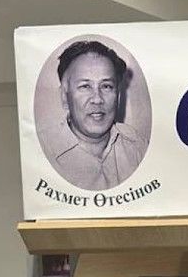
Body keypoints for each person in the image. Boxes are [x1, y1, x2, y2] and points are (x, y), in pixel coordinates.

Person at [41, 40, 147, 190]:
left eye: (106, 86)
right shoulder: (42, 153)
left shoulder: (138, 148)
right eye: (85, 86)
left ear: (118, 96)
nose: (97, 99)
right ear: (65, 96)